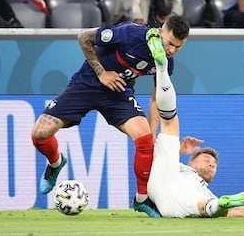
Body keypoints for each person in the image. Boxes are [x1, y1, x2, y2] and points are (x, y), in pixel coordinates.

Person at [31, 15, 190, 217]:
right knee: (40, 134)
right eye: (170, 44)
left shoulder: (165, 62)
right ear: (160, 32)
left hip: (119, 93)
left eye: (179, 47)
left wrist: (151, 133)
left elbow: (156, 100)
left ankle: (142, 199)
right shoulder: (130, 34)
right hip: (86, 85)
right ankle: (55, 162)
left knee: (145, 140)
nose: (172, 51)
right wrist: (102, 73)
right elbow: (83, 37)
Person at [146, 39, 244, 218]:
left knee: (212, 206)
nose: (211, 164)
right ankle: (161, 68)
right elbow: (150, 155)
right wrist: (177, 151)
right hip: (165, 180)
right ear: (191, 162)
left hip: (178, 202)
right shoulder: (181, 167)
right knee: (170, 122)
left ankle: (217, 207)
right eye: (206, 159)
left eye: (214, 164)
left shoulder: (205, 193)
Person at [110, 0, 183, 27]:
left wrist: (172, 16)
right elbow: (132, 2)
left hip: (154, 18)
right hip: (127, 17)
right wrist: (137, 16)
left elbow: (176, 1)